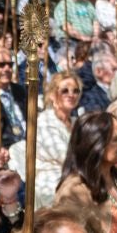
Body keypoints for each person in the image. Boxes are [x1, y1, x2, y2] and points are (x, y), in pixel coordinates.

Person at [34, 71, 83, 202]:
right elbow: (64, 156)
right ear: (52, 95)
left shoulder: (75, 122)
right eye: (65, 91)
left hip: (76, 177)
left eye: (75, 91)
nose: (71, 95)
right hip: (52, 182)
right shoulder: (44, 121)